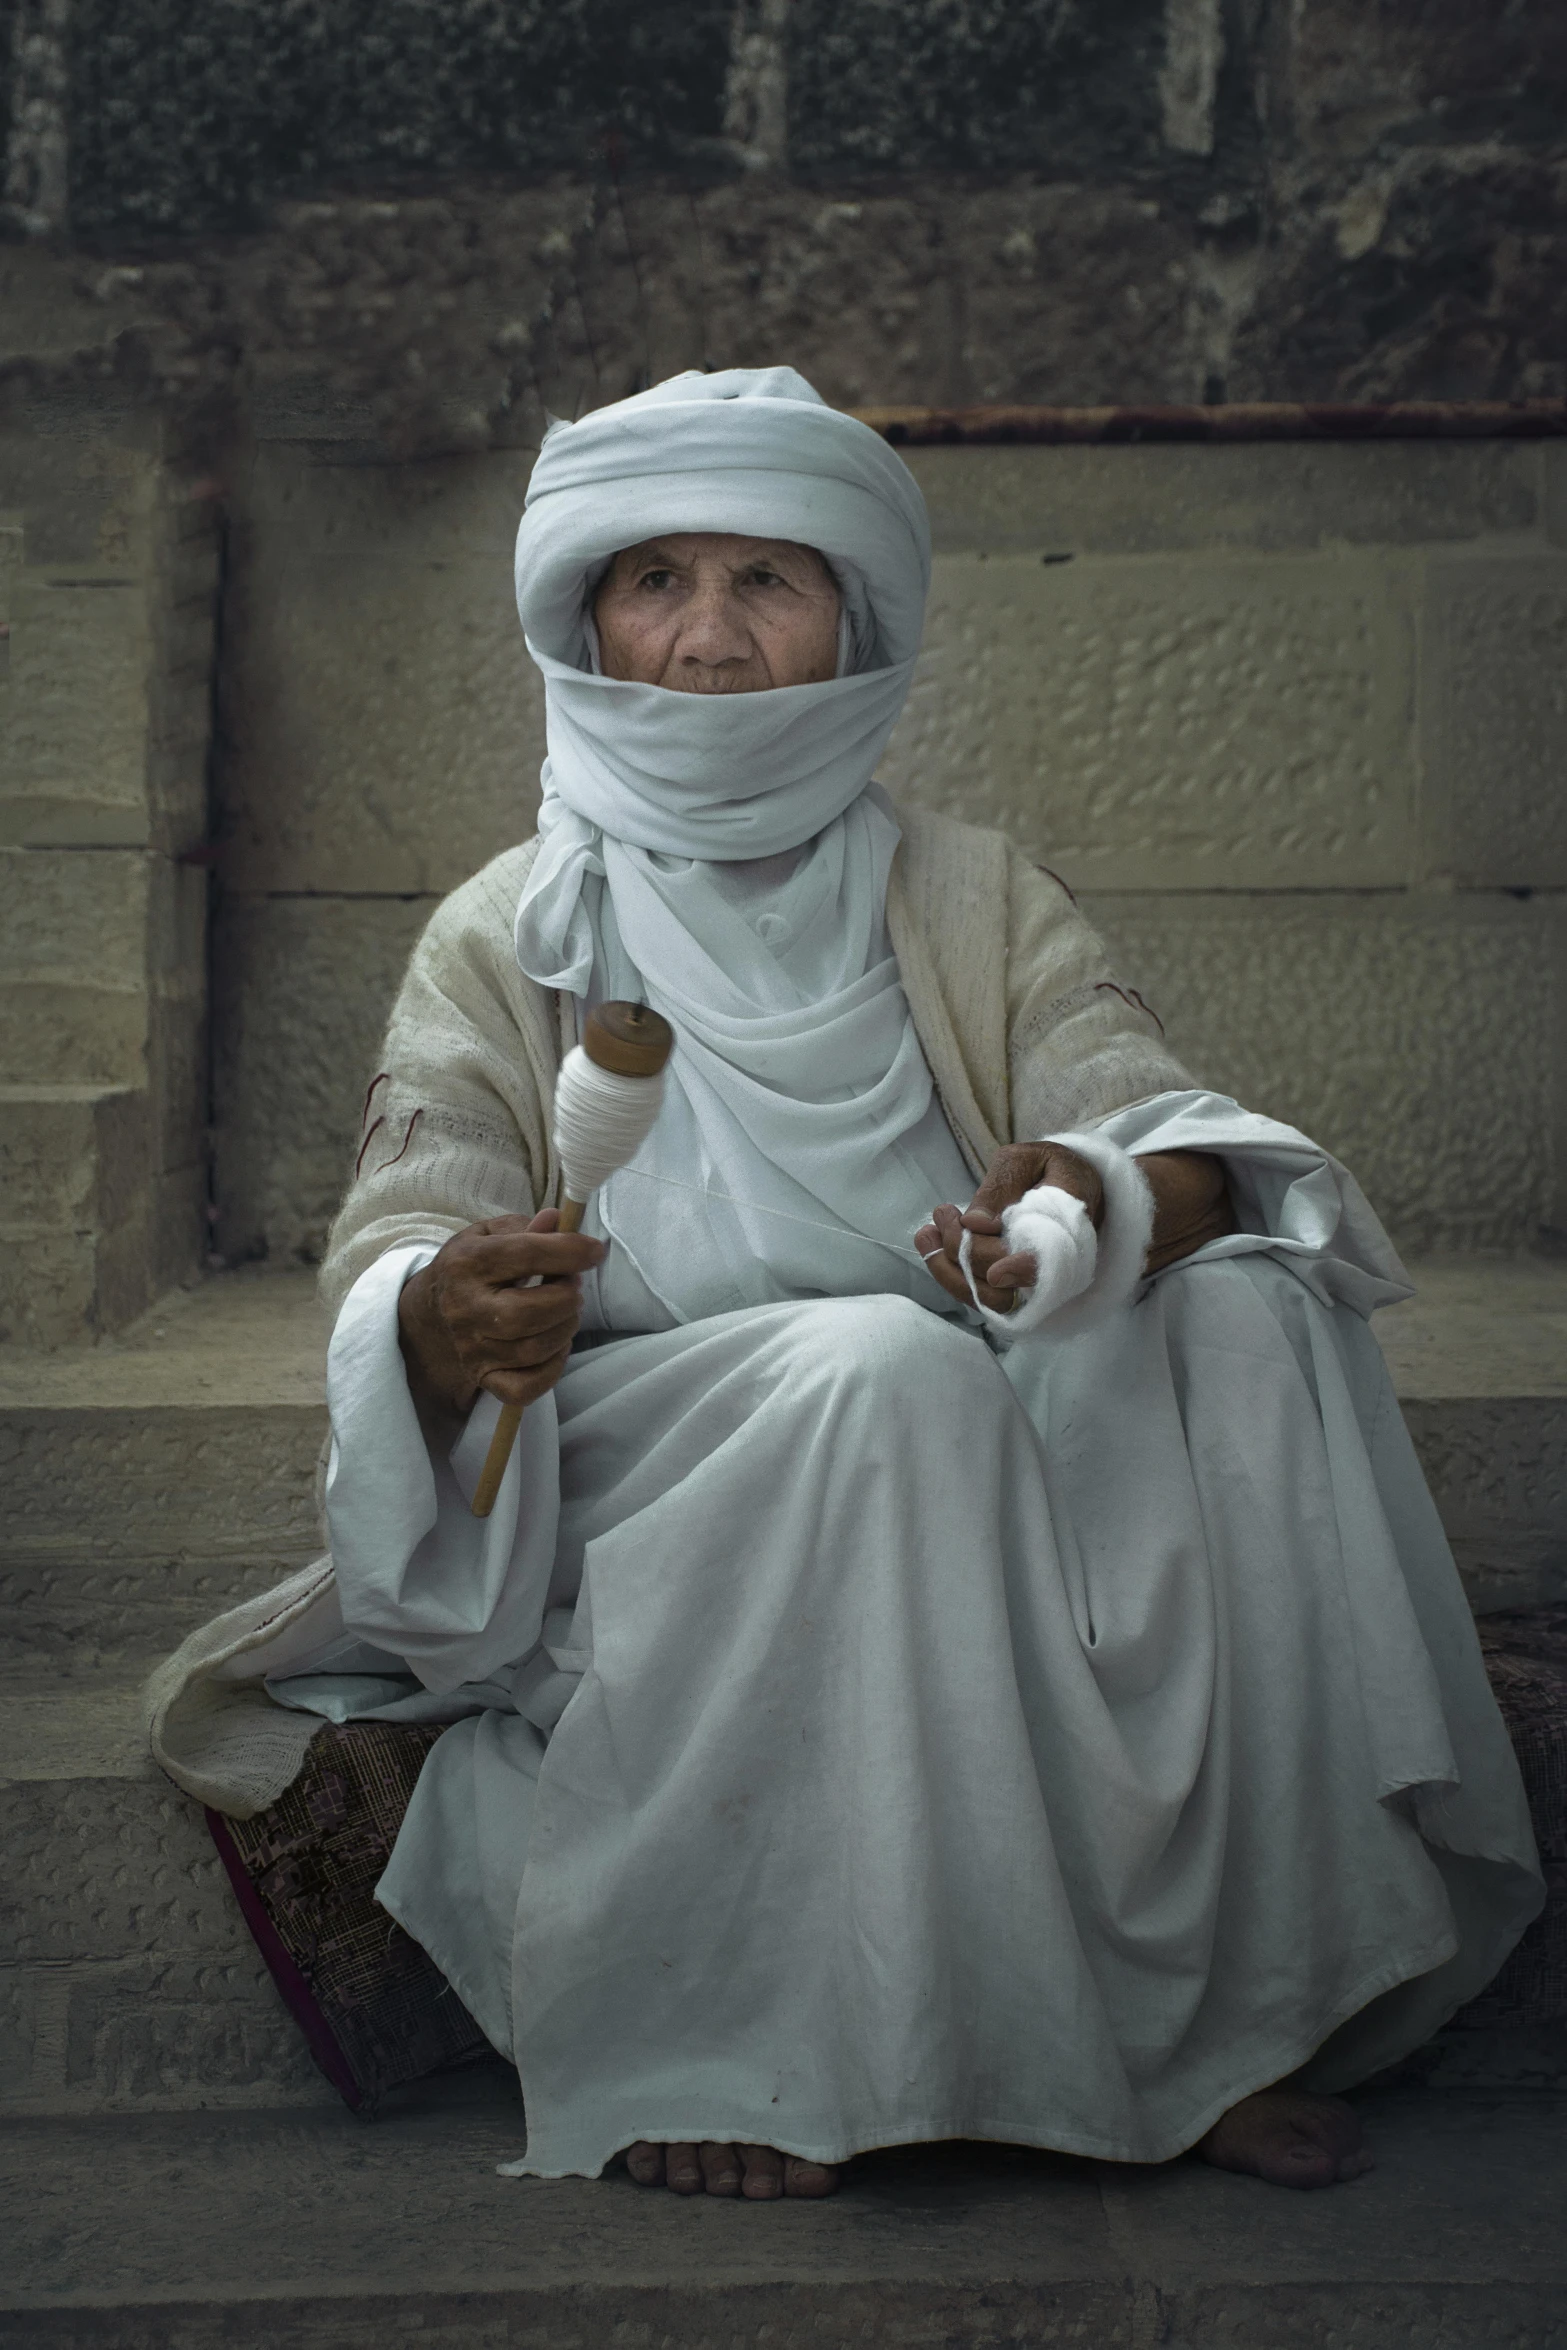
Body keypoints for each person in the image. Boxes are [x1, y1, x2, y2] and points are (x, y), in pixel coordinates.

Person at [151, 366, 1542, 2202]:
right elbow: (409, 1233)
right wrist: (441, 1309)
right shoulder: (508, 928)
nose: (709, 639)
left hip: (978, 1392)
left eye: (765, 582)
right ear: (588, 619)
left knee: (1245, 1306)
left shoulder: (966, 893)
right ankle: (754, 2030)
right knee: (876, 1374)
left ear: (848, 621)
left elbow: (1169, 1140)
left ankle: (1202, 2026)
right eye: (655, 580)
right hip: (652, 1449)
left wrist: (1085, 1214)